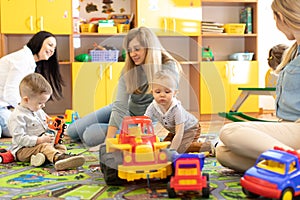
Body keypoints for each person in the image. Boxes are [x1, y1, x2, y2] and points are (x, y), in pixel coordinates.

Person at [216, 0, 300, 172]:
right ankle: (288, 166)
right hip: (289, 126)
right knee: (223, 152)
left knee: (229, 131)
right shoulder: (294, 51)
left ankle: (292, 161)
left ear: (281, 17)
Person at [67, 26, 183, 147]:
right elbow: (120, 105)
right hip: (123, 110)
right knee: (72, 131)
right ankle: (98, 128)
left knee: (90, 135)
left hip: (142, 121)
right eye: (129, 50)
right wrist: (109, 139)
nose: (133, 54)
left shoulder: (168, 66)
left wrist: (110, 141)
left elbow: (167, 104)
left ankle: (104, 131)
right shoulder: (129, 68)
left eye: (137, 49)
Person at [8, 73, 85, 171]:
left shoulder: (38, 110)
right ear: (26, 99)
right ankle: (58, 159)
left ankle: (46, 158)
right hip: (23, 150)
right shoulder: (17, 116)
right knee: (44, 147)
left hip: (41, 145)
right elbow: (20, 139)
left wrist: (55, 126)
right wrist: (39, 140)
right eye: (40, 103)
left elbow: (48, 122)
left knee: (59, 145)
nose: (43, 106)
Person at [0, 31, 64, 138]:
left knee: (29, 126)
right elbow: (9, 94)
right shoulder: (22, 60)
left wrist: (41, 115)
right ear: (39, 42)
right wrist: (31, 111)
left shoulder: (29, 63)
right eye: (50, 45)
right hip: (2, 107)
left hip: (4, 108)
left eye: (54, 48)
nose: (52, 50)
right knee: (26, 128)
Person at [144, 70, 208, 153]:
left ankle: (209, 146)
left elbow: (179, 133)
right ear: (152, 92)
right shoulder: (153, 106)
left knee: (181, 148)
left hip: (191, 128)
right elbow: (144, 121)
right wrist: (139, 136)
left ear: (174, 93)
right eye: (158, 92)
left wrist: (172, 151)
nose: (162, 95)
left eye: (167, 92)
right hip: (174, 131)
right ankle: (195, 143)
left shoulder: (176, 109)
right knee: (163, 147)